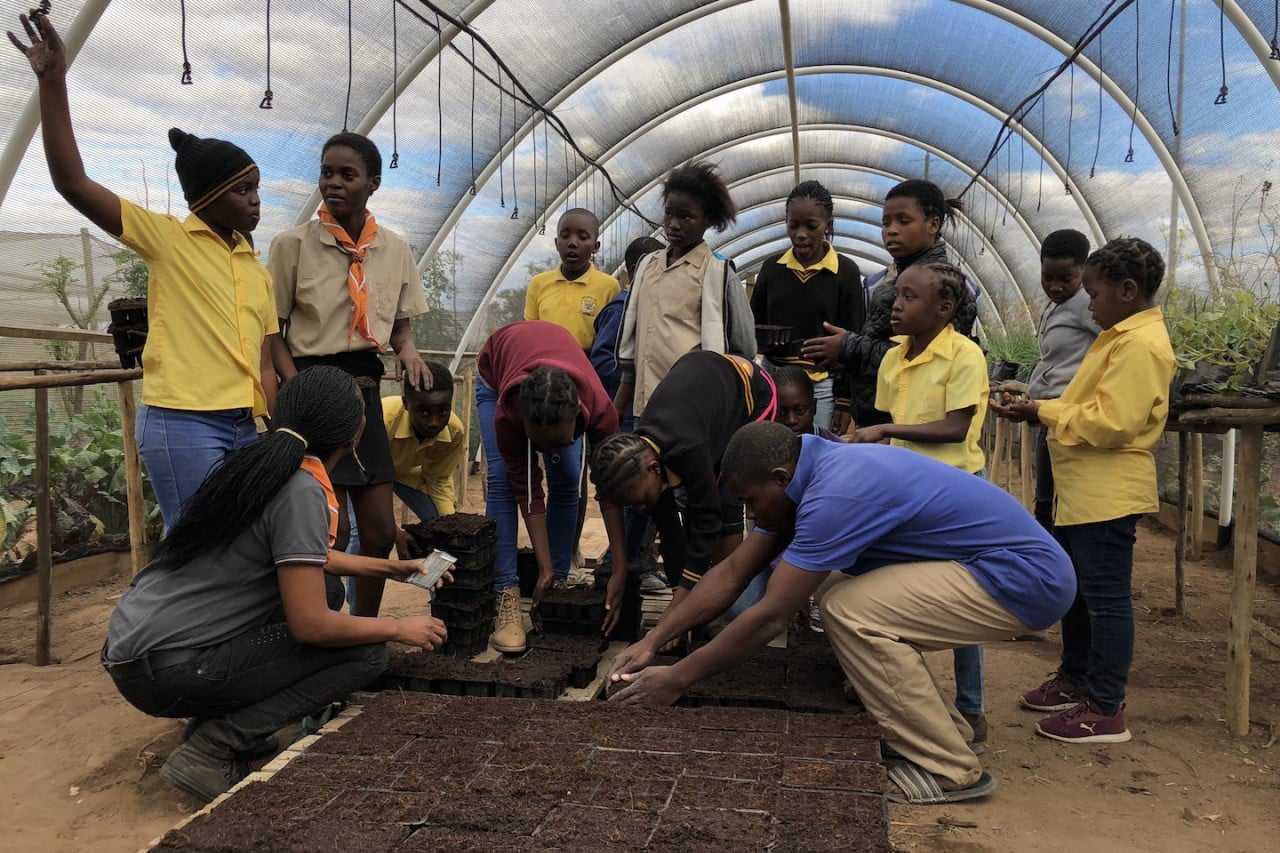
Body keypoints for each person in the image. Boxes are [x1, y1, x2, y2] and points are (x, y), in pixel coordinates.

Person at [608, 423, 1076, 806]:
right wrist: (654, 642)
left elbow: (772, 614)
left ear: (777, 477)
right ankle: (944, 735)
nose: (751, 514)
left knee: (850, 609)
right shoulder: (801, 475)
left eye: (750, 502)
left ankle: (949, 770)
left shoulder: (835, 493)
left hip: (1024, 578)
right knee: (836, 591)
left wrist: (680, 677)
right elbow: (731, 571)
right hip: (991, 568)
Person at [101, 367, 449, 803]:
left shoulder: (261, 464)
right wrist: (399, 629)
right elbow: (310, 627)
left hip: (135, 653)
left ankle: (212, 721)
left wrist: (394, 569)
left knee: (327, 590)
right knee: (364, 653)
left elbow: (303, 554)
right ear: (354, 433)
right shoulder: (301, 488)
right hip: (170, 667)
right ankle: (214, 748)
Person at [9, 10, 281, 532]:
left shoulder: (254, 268)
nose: (255, 203)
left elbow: (264, 357)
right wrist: (53, 84)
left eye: (257, 190)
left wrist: (268, 423)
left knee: (243, 544)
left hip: (246, 425)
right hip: (185, 423)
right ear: (208, 197)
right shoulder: (169, 240)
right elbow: (72, 182)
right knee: (195, 548)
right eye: (244, 190)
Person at [993, 238, 1176, 744]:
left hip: (1108, 492)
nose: (1087, 304)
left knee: (1106, 599)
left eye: (1093, 294)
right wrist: (1032, 398)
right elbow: (1082, 398)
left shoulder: (1140, 345)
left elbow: (1113, 423)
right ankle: (1075, 678)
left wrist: (1041, 412)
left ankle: (1106, 707)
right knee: (1077, 590)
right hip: (1084, 489)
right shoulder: (1115, 337)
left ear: (1128, 289)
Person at [269, 132, 429, 618]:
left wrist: (410, 353)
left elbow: (399, 324)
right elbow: (272, 331)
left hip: (363, 390)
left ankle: (363, 624)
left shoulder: (395, 248)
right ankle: (323, 624)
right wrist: (293, 384)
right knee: (326, 529)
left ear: (373, 184)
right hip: (313, 388)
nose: (333, 184)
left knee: (379, 530)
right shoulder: (291, 245)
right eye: (327, 173)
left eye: (347, 175)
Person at [852, 260, 991, 745]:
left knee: (963, 597)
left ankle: (971, 706)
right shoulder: (894, 358)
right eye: (896, 295)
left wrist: (886, 431)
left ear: (944, 308)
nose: (896, 305)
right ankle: (910, 701)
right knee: (901, 594)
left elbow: (955, 427)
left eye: (909, 297)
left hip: (957, 490)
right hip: (906, 490)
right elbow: (888, 417)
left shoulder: (965, 356)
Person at [476, 321, 629, 653]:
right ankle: (507, 596)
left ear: (577, 416)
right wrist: (540, 565)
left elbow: (610, 490)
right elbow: (527, 489)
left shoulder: (601, 411)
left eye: (558, 441)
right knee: (502, 480)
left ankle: (555, 586)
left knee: (568, 478)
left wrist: (620, 565)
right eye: (538, 443)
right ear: (523, 423)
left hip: (554, 365)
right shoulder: (508, 413)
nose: (546, 452)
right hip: (497, 372)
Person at [591, 350, 777, 614]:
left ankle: (730, 599)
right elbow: (669, 530)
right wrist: (680, 592)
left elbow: (708, 519)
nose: (643, 507)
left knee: (728, 496)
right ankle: (703, 599)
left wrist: (678, 609)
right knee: (683, 516)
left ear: (653, 468)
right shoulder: (645, 450)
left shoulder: (687, 448)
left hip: (750, 393)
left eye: (642, 500)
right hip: (705, 400)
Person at [802, 179, 976, 430]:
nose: (891, 230)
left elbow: (925, 359)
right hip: (882, 421)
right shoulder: (897, 280)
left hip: (908, 426)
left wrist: (849, 346)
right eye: (886, 223)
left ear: (933, 224)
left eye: (903, 221)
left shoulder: (942, 287)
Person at [613, 161, 756, 419]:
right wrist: (618, 406)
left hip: (691, 410)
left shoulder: (717, 273)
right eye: (669, 214)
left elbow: (744, 346)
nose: (674, 224)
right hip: (644, 407)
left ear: (709, 220)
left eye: (686, 216)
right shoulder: (648, 266)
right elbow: (634, 341)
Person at [750, 181, 865, 434]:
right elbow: (753, 325)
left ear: (828, 225)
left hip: (821, 386)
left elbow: (855, 341)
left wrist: (844, 403)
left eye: (811, 226)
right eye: (794, 225)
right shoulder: (772, 269)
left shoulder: (845, 272)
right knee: (773, 449)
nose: (801, 234)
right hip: (774, 381)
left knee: (816, 451)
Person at [590, 237, 669, 594]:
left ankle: (639, 561)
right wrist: (637, 368)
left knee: (648, 494)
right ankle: (616, 565)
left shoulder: (657, 309)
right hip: (624, 417)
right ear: (636, 271)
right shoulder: (621, 309)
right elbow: (603, 360)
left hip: (648, 413)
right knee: (628, 492)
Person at [343, 363, 467, 577]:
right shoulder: (381, 420)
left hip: (402, 476)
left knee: (438, 524)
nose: (434, 422)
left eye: (443, 411)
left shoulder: (454, 432)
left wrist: (450, 526)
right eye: (424, 412)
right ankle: (358, 608)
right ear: (406, 404)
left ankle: (440, 588)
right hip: (362, 477)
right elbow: (362, 474)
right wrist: (394, 532)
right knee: (364, 534)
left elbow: (437, 479)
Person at [1022, 229, 1100, 532]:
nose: (1054, 286)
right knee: (1046, 498)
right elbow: (1053, 359)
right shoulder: (1056, 305)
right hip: (1049, 412)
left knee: (1062, 501)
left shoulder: (1087, 305)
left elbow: (1113, 346)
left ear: (1084, 269)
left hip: (1071, 414)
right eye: (1047, 277)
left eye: (1065, 278)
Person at [525, 208, 621, 352]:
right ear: (557, 243)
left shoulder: (609, 286)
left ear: (595, 247)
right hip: (544, 366)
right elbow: (529, 333)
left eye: (582, 237)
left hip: (587, 368)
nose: (572, 243)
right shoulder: (538, 283)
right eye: (565, 236)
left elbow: (609, 338)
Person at [774, 366, 840, 442]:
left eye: (800, 410)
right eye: (781, 413)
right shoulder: (763, 448)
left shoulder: (834, 446)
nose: (791, 420)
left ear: (814, 407)